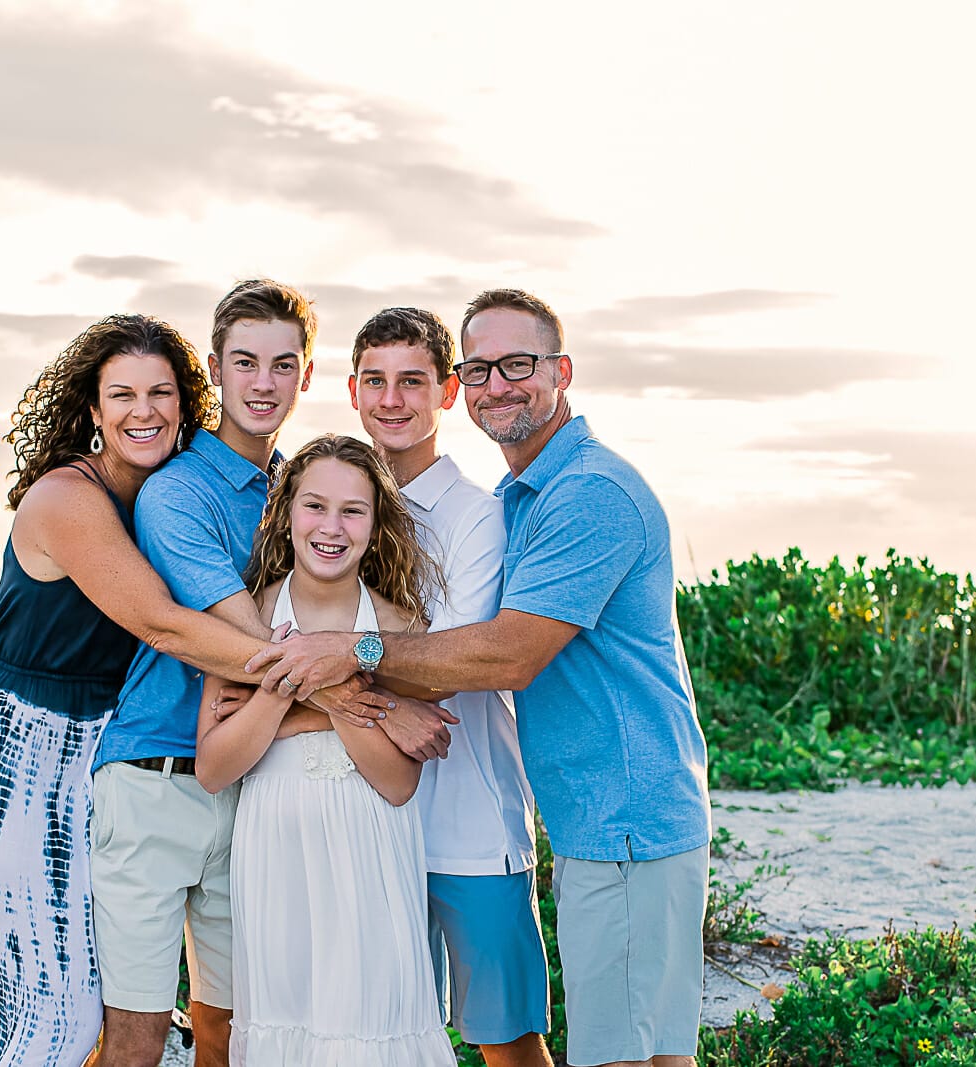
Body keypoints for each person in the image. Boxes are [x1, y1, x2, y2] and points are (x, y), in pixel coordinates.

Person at [251, 289, 713, 1067]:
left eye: (518, 365)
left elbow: (505, 654)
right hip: (589, 814)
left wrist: (347, 653)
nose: (498, 384)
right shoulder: (523, 496)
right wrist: (363, 697)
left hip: (621, 813)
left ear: (562, 371)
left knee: (615, 1054)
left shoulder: (580, 494)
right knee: (641, 1051)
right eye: (482, 368)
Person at [0, 313, 349, 1067]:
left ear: (187, 402)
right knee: (49, 1022)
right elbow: (165, 625)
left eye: (160, 392)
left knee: (101, 1008)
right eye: (122, 395)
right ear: (93, 410)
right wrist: (332, 685)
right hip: (22, 752)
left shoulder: (174, 491)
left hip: (108, 745)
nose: (144, 411)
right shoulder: (67, 497)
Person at [194, 435, 457, 1066]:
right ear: (285, 513)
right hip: (274, 851)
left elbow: (397, 783)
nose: (331, 527)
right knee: (286, 1024)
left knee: (370, 1023)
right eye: (314, 506)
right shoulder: (248, 618)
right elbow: (214, 767)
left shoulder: (396, 626)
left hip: (370, 845)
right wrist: (299, 696)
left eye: (352, 511)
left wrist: (316, 693)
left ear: (376, 523)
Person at [348, 306, 553, 1067]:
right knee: (389, 1039)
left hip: (470, 827)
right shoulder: (333, 509)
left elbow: (456, 657)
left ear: (446, 392)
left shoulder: (477, 516)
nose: (392, 399)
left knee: (508, 1043)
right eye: (375, 381)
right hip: (369, 821)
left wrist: (328, 660)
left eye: (413, 380)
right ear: (352, 391)